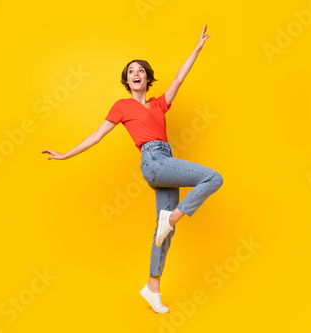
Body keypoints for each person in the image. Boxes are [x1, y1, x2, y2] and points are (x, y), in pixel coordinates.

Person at [42, 25, 223, 314]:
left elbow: (179, 77)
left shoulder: (158, 105)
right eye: (130, 72)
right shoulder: (122, 106)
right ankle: (174, 218)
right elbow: (96, 136)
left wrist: (197, 50)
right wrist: (65, 155)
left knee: (162, 233)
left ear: (147, 78)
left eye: (140, 70)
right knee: (213, 178)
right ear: (127, 81)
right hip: (153, 161)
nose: (135, 74)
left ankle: (152, 287)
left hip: (166, 159)